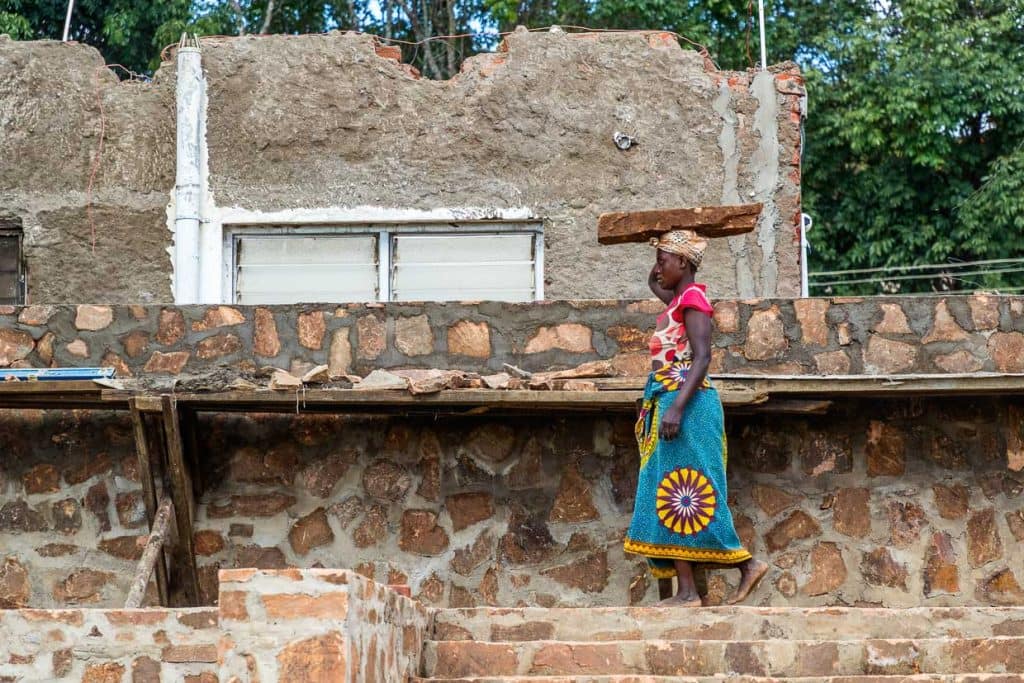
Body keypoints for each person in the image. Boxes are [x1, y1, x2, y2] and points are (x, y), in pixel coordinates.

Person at [623, 229, 768, 607]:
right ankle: (687, 591)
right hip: (672, 402)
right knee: (673, 495)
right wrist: (655, 259)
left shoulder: (694, 300)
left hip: (688, 407)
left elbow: (702, 359)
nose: (657, 269)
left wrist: (675, 408)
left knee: (688, 492)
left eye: (663, 261)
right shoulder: (678, 300)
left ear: (683, 263)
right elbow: (660, 288)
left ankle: (746, 565)